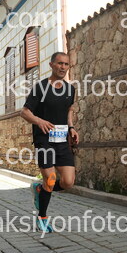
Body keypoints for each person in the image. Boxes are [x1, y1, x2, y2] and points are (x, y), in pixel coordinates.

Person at [20, 52, 79, 233]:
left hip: (61, 141)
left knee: (68, 182)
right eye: (60, 63)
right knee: (51, 179)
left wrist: (71, 128)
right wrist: (39, 121)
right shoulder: (40, 87)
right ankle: (42, 218)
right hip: (44, 139)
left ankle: (40, 189)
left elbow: (69, 110)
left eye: (66, 64)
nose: (63, 67)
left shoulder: (70, 89)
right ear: (51, 65)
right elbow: (24, 112)